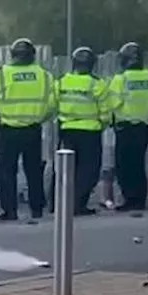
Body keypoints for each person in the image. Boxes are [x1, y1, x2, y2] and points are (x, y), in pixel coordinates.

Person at [0, 38, 55, 221]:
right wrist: (40, 117)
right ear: (32, 55)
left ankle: (10, 211)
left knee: (6, 171)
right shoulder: (44, 75)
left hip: (8, 129)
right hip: (33, 129)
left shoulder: (0, 75)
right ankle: (37, 208)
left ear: (12, 55)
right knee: (34, 171)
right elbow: (51, 104)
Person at [107, 42, 148, 211]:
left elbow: (114, 103)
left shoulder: (121, 79)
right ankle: (139, 199)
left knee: (123, 165)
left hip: (124, 127)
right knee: (138, 164)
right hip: (143, 126)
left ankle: (129, 200)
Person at [56, 47, 110, 215]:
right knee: (89, 171)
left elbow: (52, 104)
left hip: (67, 130)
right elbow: (105, 111)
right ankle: (78, 205)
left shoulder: (61, 82)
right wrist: (103, 124)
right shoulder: (97, 84)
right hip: (90, 131)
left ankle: (63, 204)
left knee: (68, 170)